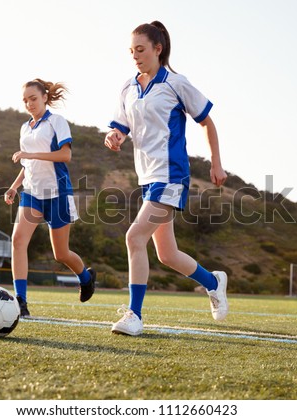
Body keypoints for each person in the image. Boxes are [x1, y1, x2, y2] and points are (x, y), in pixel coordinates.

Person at [104, 21, 229, 336]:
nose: (135, 56)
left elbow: (207, 122)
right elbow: (121, 127)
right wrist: (114, 137)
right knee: (167, 254)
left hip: (171, 176)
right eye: (131, 51)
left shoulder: (176, 83)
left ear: (157, 49)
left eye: (141, 49)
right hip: (147, 178)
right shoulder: (128, 88)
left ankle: (134, 315)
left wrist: (216, 163)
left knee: (134, 237)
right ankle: (213, 282)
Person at [5, 79, 95, 317]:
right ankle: (20, 301)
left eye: (33, 98)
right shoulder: (25, 128)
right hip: (32, 194)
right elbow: (27, 165)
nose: (29, 104)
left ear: (45, 97)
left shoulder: (57, 122)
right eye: (25, 100)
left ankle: (86, 276)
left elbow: (65, 155)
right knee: (18, 242)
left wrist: (30, 154)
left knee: (61, 254)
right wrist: (15, 187)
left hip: (58, 194)